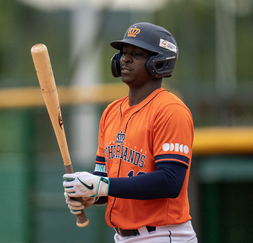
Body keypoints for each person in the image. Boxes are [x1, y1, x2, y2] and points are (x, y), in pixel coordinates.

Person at [63, 22, 198, 243]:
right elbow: (103, 178)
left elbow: (170, 181)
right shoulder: (110, 112)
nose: (125, 59)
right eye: (124, 53)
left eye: (137, 54)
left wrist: (102, 186)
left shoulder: (170, 110)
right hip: (123, 237)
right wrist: (90, 193)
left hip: (164, 235)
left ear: (159, 62)